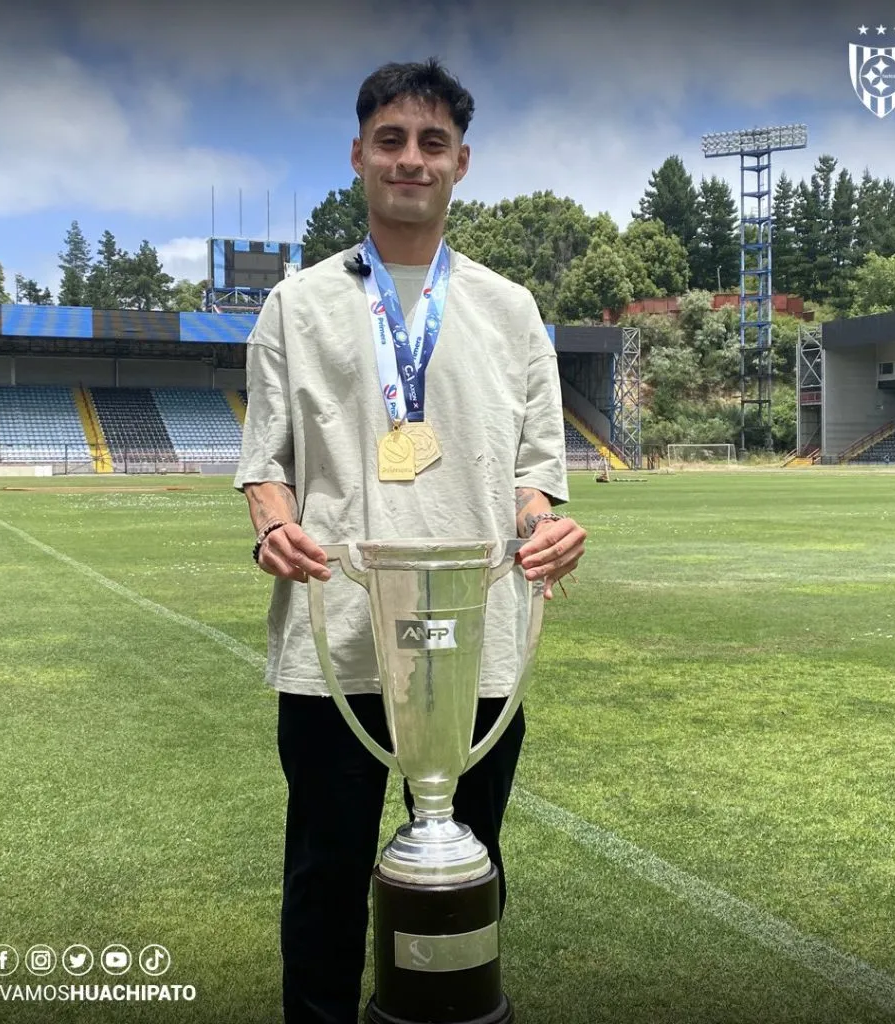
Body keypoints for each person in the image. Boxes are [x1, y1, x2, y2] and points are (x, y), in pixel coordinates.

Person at [234, 57, 586, 1024]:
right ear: (358, 155)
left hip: (477, 641)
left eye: (432, 143)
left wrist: (545, 530)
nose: (411, 160)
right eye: (391, 140)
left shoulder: (512, 311)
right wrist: (275, 528)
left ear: (461, 163)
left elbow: (535, 477)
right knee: (324, 875)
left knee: (472, 865)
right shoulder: (293, 307)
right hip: (337, 641)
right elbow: (266, 464)